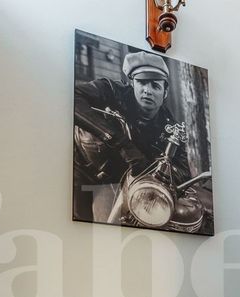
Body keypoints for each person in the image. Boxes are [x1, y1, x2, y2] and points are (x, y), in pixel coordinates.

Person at [73, 51, 191, 220]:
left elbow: (183, 173)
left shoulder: (171, 129)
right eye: (141, 82)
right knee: (77, 222)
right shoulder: (112, 90)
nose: (147, 91)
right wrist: (121, 142)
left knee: (109, 227)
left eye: (155, 86)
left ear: (165, 93)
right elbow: (73, 97)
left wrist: (155, 169)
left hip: (116, 182)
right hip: (83, 166)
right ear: (132, 84)